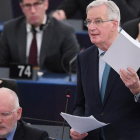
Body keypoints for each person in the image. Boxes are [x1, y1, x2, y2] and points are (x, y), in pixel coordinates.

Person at [70, 0, 140, 140]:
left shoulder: (136, 54)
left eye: (98, 21)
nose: (91, 27)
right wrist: (78, 127)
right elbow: (80, 104)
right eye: (88, 21)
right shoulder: (84, 58)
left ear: (114, 24)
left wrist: (138, 90)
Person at [0, 0, 80, 73]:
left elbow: (75, 69)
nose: (33, 10)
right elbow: (1, 66)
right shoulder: (10, 29)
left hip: (51, 86)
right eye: (28, 5)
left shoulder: (64, 31)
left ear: (46, 4)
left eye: (37, 4)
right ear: (22, 7)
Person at [52, 0, 140, 26]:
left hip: (121, 37)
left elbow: (131, 16)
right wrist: (59, 14)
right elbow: (66, 9)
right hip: (91, 39)